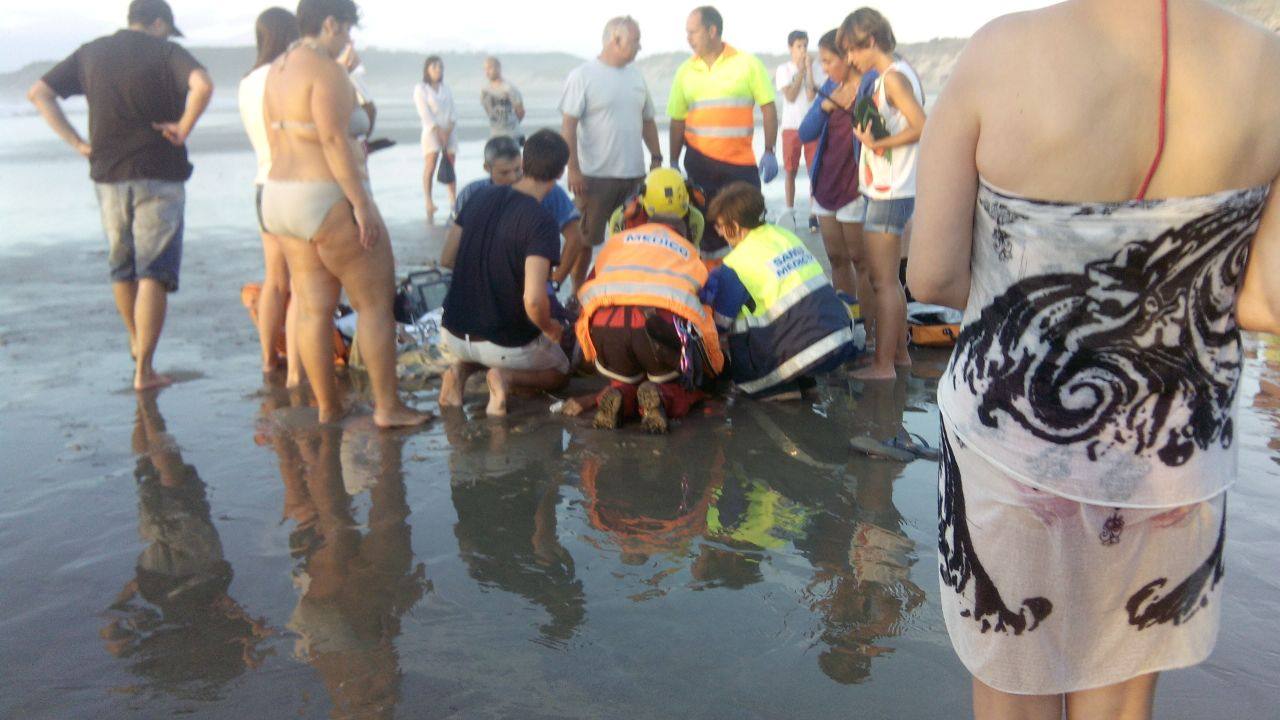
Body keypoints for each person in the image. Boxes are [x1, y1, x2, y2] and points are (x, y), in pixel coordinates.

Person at [907, 0, 1280, 717]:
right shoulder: (1268, 66)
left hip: (1012, 455)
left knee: (1014, 694)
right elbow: (1265, 301)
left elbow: (932, 277)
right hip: (1176, 457)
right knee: (1117, 704)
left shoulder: (998, 54)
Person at [27, 0, 214, 391]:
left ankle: (136, 344)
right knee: (155, 271)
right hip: (159, 171)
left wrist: (78, 142)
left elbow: (39, 93)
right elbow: (203, 84)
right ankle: (144, 369)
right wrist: (183, 127)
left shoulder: (91, 52)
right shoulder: (167, 51)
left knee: (123, 266)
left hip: (108, 173)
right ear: (158, 22)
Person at [260, 0, 428, 428]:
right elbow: (333, 140)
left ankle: (328, 407)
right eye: (347, 30)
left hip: (280, 195)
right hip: (325, 194)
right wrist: (362, 205)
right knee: (374, 304)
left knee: (314, 306)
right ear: (329, 23)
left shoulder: (277, 69)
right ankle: (388, 407)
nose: (349, 40)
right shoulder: (325, 69)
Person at [574, 167, 724, 433]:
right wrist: (713, 367)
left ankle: (619, 395)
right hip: (657, 334)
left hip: (606, 332)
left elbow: (588, 292)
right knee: (681, 386)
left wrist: (590, 352)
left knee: (623, 379)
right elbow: (702, 316)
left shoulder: (618, 242)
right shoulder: (689, 254)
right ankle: (661, 396)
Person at [437, 129, 573, 416]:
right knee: (561, 370)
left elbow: (447, 257)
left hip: (452, 331)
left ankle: (461, 372)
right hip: (502, 341)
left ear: (523, 164)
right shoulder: (541, 221)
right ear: (560, 173)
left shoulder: (479, 197)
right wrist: (550, 328)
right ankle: (505, 378)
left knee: (487, 344)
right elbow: (534, 302)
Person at [703, 182, 858, 398]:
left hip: (797, 349)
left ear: (735, 226)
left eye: (720, 226)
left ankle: (774, 387)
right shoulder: (785, 236)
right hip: (838, 337)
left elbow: (720, 323)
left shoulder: (735, 264)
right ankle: (806, 381)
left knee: (739, 317)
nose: (718, 232)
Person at [840, 8, 923, 381]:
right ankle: (899, 354)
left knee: (883, 281)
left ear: (870, 41)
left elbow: (923, 124)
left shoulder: (892, 79)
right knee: (891, 280)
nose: (850, 59)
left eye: (852, 50)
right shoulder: (899, 73)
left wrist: (878, 142)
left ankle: (883, 365)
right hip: (892, 188)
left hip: (891, 192)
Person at [667, 5, 778, 264]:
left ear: (712, 30)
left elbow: (769, 109)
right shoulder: (685, 71)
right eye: (687, 33)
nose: (689, 38)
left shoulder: (747, 64)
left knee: (747, 229)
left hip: (739, 166)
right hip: (699, 166)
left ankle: (750, 285)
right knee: (706, 234)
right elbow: (676, 121)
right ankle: (713, 291)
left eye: (693, 32)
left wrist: (770, 150)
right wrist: (673, 162)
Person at [560, 16, 663, 291]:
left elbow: (648, 121)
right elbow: (568, 126)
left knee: (635, 237)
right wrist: (573, 169)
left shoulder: (636, 77)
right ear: (615, 40)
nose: (640, 47)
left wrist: (656, 158)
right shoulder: (583, 76)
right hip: (594, 178)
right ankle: (578, 292)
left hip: (634, 177)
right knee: (585, 240)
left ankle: (628, 289)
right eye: (635, 41)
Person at [239, 7, 302, 385]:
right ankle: (295, 371)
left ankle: (267, 360)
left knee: (274, 280)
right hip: (291, 184)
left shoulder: (248, 80)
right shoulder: (284, 75)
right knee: (300, 284)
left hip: (261, 184)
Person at [444, 136, 586, 292]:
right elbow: (449, 256)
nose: (513, 178)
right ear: (486, 168)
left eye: (518, 170)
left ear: (524, 163)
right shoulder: (472, 193)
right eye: (504, 172)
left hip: (529, 285)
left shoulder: (550, 193)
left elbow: (575, 238)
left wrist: (555, 282)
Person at [798, 29, 874, 307]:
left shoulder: (871, 85)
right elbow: (805, 132)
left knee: (861, 260)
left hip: (855, 185)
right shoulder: (829, 88)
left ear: (848, 57)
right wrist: (826, 106)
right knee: (836, 258)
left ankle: (870, 332)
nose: (824, 68)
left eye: (829, 61)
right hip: (825, 182)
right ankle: (848, 326)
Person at [775, 30, 823, 231]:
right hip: (790, 127)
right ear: (790, 48)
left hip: (810, 124)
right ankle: (790, 212)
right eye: (798, 46)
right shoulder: (783, 69)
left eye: (805, 45)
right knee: (790, 170)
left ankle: (814, 214)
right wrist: (801, 72)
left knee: (814, 171)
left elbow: (812, 96)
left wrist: (809, 70)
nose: (803, 50)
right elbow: (791, 96)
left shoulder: (815, 68)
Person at [413, 55, 457, 223]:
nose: (438, 70)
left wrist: (449, 129)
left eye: (440, 67)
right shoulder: (421, 89)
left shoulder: (446, 88)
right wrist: (438, 131)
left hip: (449, 129)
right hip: (431, 131)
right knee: (431, 164)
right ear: (427, 70)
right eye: (434, 67)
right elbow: (424, 112)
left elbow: (453, 110)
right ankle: (428, 201)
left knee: (450, 162)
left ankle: (453, 199)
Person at [481, 56, 525, 143]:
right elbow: (488, 110)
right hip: (495, 134)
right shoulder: (485, 91)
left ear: (498, 68)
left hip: (512, 134)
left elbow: (520, 111)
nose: (487, 72)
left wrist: (511, 123)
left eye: (490, 68)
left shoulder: (509, 88)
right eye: (485, 69)